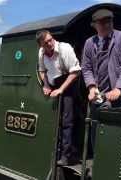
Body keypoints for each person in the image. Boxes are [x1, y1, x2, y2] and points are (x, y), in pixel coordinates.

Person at [37, 30, 81, 166]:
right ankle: (56, 152)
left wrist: (61, 89)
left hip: (68, 83)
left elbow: (75, 71)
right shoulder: (41, 53)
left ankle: (67, 156)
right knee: (57, 120)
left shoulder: (65, 48)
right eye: (46, 43)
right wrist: (45, 85)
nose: (50, 43)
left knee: (67, 121)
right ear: (41, 45)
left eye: (51, 40)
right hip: (53, 85)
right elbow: (41, 70)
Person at [81, 9, 121, 107]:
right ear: (94, 25)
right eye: (102, 23)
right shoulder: (89, 43)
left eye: (109, 21)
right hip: (99, 95)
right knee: (96, 121)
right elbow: (86, 68)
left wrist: (118, 88)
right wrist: (92, 87)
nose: (106, 25)